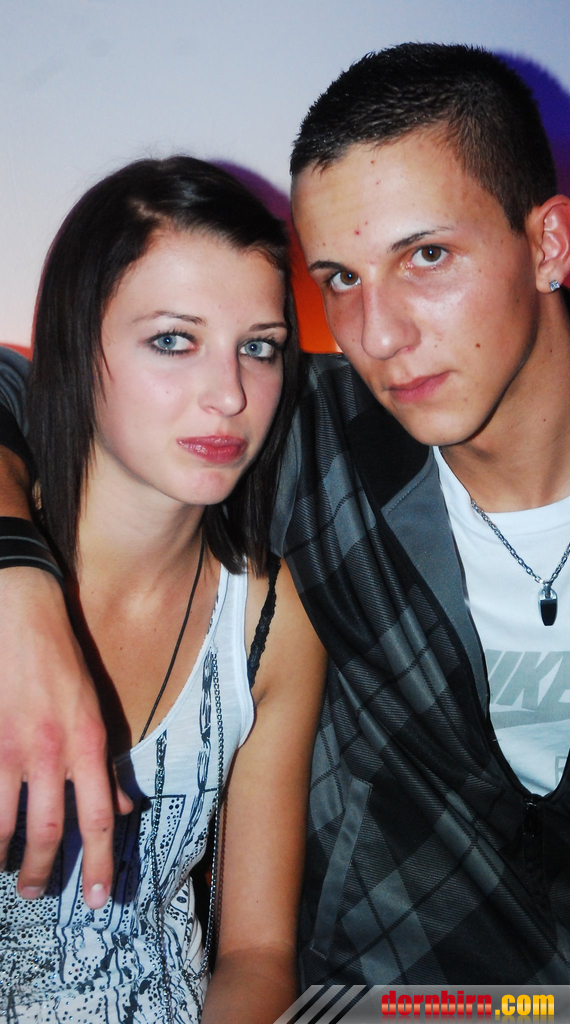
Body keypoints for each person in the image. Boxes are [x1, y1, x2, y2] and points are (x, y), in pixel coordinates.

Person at [1, 42, 570, 987]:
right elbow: (34, 387)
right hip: (371, 994)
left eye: (427, 256)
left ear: (549, 245)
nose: (379, 335)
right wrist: (16, 578)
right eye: (340, 280)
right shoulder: (298, 439)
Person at [0, 156, 325, 1021]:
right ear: (78, 344)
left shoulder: (267, 620)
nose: (230, 395)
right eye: (174, 340)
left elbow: (257, 953)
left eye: (259, 347)